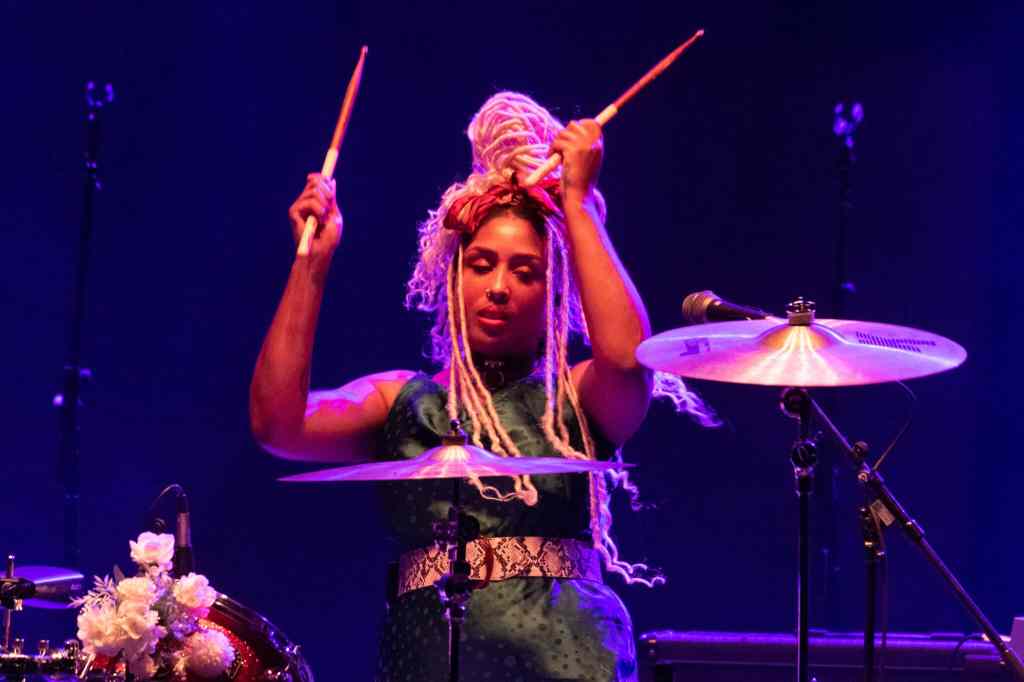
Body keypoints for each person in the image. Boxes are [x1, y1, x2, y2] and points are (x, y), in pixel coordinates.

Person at [250, 92, 714, 681]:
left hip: (566, 660)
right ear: (453, 274)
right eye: (481, 264)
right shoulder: (403, 400)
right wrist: (310, 266)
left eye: (525, 271)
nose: (499, 286)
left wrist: (576, 203)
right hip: (427, 656)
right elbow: (277, 424)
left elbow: (627, 359)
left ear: (553, 291)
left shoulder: (576, 398)